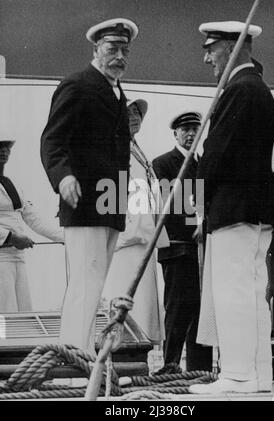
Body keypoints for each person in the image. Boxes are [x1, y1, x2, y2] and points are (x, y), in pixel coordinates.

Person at [189, 21, 274, 394]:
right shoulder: (258, 89)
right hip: (256, 211)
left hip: (233, 209)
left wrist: (199, 199)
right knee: (252, 293)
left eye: (212, 48)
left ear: (236, 47)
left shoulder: (237, 90)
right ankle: (258, 376)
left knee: (233, 293)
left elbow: (216, 156)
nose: (208, 56)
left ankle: (238, 375)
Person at [40, 18, 139, 357]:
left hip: (110, 203)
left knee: (95, 285)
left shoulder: (116, 91)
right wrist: (63, 176)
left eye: (125, 50)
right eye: (112, 48)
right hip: (84, 202)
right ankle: (72, 363)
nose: (119, 56)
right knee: (84, 284)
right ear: (96, 49)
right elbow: (53, 139)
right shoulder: (78, 85)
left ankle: (81, 359)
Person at [103, 98, 169, 344]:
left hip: (143, 239)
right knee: (125, 302)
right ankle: (120, 361)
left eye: (138, 112)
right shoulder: (113, 148)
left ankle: (137, 359)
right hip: (126, 240)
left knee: (143, 307)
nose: (134, 116)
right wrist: (127, 231)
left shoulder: (136, 150)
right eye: (128, 111)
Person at [152, 111, 213, 374]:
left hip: (204, 250)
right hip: (178, 247)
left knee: (203, 309)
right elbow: (168, 205)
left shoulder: (206, 164)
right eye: (185, 129)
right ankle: (170, 364)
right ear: (175, 133)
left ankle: (200, 367)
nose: (190, 134)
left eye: (195, 129)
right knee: (177, 308)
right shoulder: (163, 163)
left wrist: (206, 222)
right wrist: (196, 223)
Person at [0, 138, 64, 312]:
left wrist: (66, 238)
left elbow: (35, 220)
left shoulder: (12, 184)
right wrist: (11, 237)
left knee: (23, 313)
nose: (3, 151)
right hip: (1, 258)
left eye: (6, 147)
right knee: (5, 316)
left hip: (17, 258)